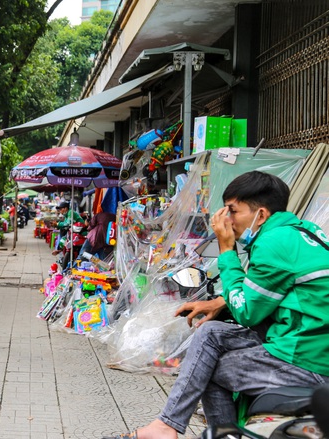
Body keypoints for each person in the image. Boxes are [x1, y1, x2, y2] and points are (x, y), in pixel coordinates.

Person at [105, 171, 329, 439]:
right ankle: (170, 426)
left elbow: (247, 312)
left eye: (233, 211)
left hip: (307, 362)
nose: (225, 220)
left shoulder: (273, 243)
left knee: (206, 368)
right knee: (210, 333)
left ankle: (188, 429)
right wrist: (220, 302)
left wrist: (226, 250)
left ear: (261, 214)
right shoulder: (304, 232)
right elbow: (282, 290)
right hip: (308, 343)